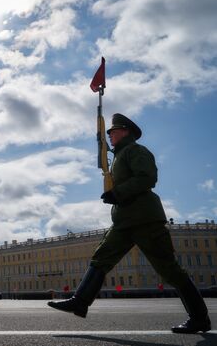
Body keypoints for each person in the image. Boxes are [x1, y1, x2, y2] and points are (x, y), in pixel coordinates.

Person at [47, 113, 212, 334]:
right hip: (124, 220)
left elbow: (147, 177)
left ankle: (199, 318)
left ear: (125, 131)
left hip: (144, 218)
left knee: (169, 269)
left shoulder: (136, 151)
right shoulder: (118, 156)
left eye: (112, 131)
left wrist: (118, 192)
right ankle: (80, 301)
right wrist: (114, 194)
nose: (110, 135)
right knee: (101, 257)